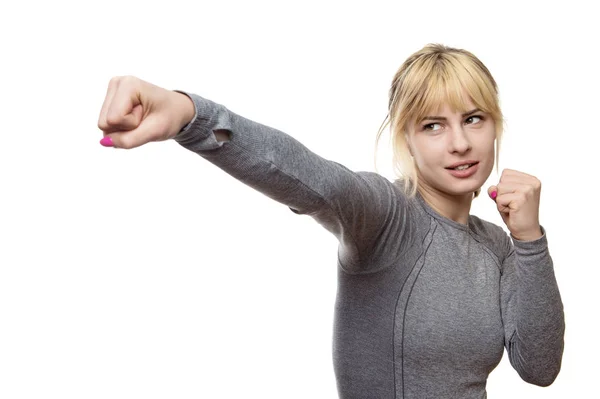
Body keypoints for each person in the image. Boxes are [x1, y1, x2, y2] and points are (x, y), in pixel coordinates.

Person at [97, 44, 565, 398]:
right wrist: (193, 117)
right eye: (433, 125)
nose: (460, 143)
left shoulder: (500, 249)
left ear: (496, 125)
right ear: (406, 137)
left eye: (474, 118)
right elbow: (312, 178)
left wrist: (529, 239)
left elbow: (538, 367)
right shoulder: (387, 216)